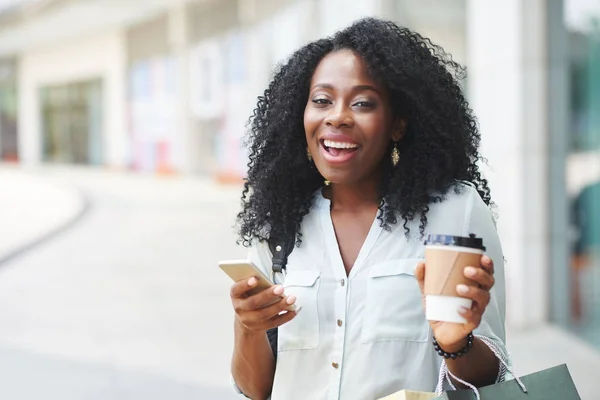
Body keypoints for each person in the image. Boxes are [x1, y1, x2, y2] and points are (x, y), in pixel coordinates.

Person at [230, 17, 509, 400]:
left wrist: (455, 342)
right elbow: (255, 390)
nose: (338, 116)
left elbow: (490, 382)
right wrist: (248, 327)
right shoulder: (279, 226)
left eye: (362, 103)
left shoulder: (453, 212)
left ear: (397, 124)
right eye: (322, 100)